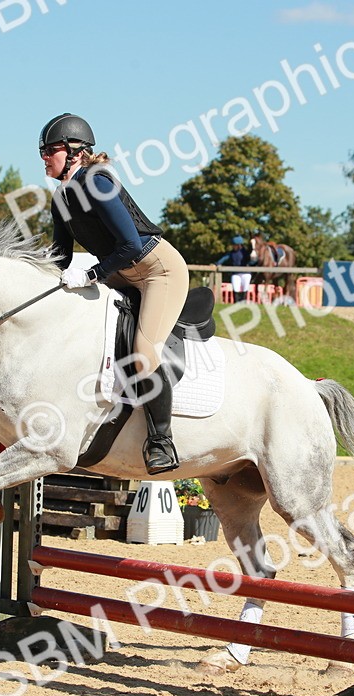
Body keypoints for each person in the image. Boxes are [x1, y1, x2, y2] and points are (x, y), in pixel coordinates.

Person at [40, 112, 187, 474]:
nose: (44, 156)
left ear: (76, 151)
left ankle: (162, 442)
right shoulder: (61, 198)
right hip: (120, 273)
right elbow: (59, 255)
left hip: (157, 271)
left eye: (51, 149)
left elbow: (130, 245)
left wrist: (90, 274)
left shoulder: (97, 182)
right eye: (42, 150)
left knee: (142, 351)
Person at [215, 235, 253, 303]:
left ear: (239, 245)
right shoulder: (231, 253)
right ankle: (236, 302)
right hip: (236, 273)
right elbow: (224, 258)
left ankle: (243, 302)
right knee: (236, 288)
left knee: (245, 288)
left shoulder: (245, 253)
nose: (233, 246)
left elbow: (251, 261)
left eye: (234, 245)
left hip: (246, 273)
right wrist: (217, 263)